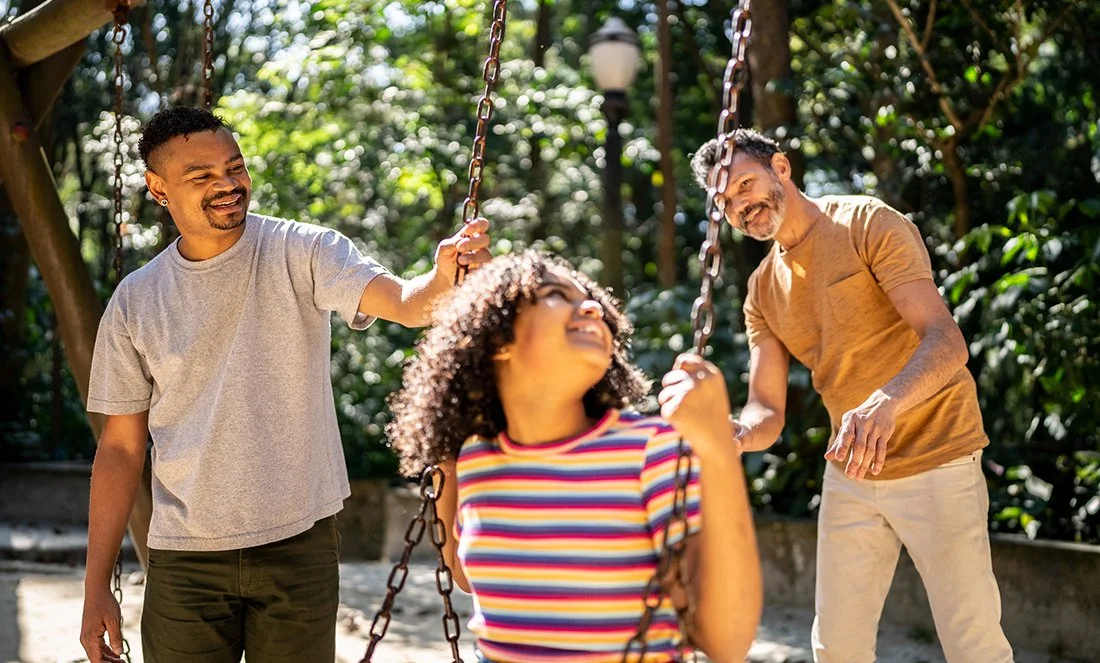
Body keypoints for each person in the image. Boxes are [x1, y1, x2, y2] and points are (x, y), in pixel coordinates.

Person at [79, 106, 491, 663]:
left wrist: (442, 280)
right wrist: (95, 584)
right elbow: (121, 448)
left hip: (300, 540)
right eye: (201, 176)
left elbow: (408, 304)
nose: (227, 185)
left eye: (235, 168)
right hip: (184, 555)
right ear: (158, 188)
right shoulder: (136, 299)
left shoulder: (305, 250)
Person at [690, 129, 1014, 662]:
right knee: (836, 647)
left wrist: (886, 401)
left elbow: (946, 340)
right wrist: (738, 433)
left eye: (745, 184)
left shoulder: (866, 223)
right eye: (725, 201)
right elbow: (766, 408)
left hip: (940, 452)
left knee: (972, 641)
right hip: (853, 470)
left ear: (782, 168)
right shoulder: (762, 290)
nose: (740, 206)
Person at [388, 250, 762, 663]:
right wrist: (446, 441)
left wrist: (716, 454)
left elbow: (726, 643)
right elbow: (466, 577)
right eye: (554, 294)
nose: (590, 306)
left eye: (591, 300)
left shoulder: (650, 449)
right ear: (497, 338)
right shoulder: (476, 457)